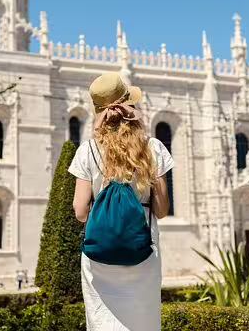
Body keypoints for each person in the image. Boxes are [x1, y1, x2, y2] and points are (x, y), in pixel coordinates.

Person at [69, 73, 172, 330]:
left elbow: (80, 212)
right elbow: (161, 210)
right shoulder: (153, 148)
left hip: (99, 259)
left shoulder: (87, 151)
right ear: (130, 107)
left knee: (102, 322)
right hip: (143, 253)